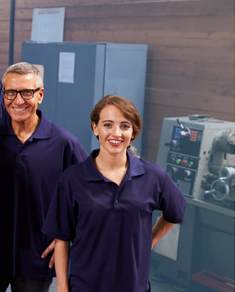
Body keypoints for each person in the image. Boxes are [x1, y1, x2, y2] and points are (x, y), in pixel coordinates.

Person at [42, 95, 186, 292]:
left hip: (134, 286)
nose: (116, 133)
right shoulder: (72, 179)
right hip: (85, 286)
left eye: (125, 126)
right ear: (95, 128)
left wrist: (149, 241)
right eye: (108, 124)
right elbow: (62, 238)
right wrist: (62, 288)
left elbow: (175, 212)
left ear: (134, 131)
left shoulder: (154, 176)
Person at [0, 62, 88, 292]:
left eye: (27, 92)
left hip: (37, 255)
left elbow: (89, 194)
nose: (18, 100)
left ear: (40, 94)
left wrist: (66, 237)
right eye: (10, 92)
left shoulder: (64, 143)